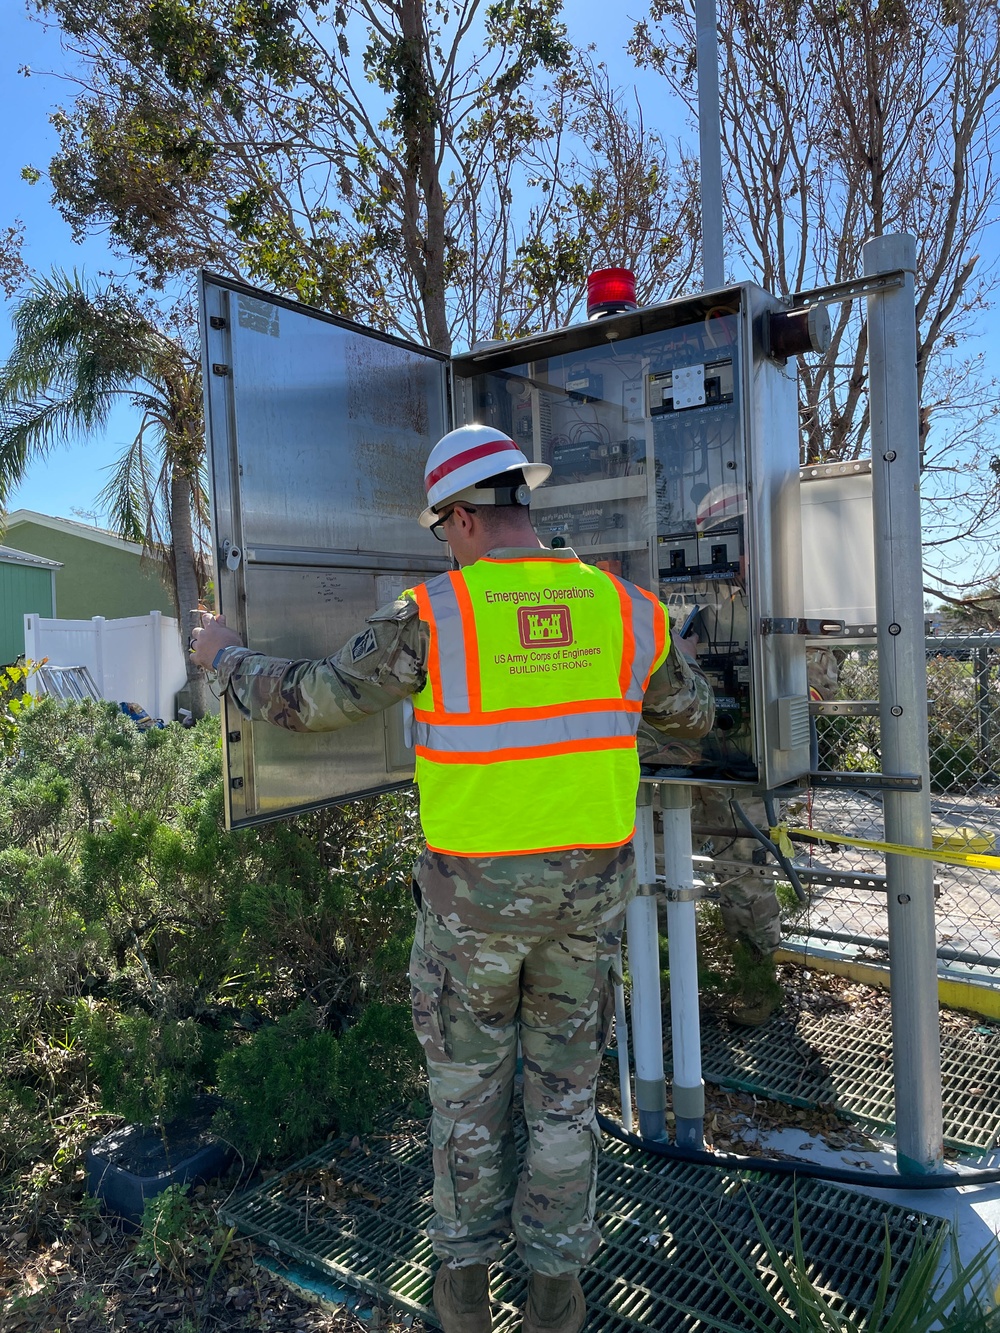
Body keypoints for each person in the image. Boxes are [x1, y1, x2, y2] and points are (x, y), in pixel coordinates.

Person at [191, 424, 715, 1333]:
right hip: (586, 906)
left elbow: (309, 698)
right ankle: (556, 1300)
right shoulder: (628, 611)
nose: (444, 545)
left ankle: (464, 1301)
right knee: (561, 1101)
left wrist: (225, 658)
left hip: (471, 912)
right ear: (524, 503)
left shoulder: (431, 616)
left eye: (443, 529)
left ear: (465, 519)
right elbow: (695, 713)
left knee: (468, 1098)